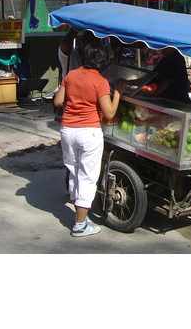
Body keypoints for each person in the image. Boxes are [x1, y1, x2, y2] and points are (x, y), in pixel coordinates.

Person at [54, 41, 128, 237]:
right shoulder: (100, 81)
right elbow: (110, 113)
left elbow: (58, 101)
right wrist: (118, 93)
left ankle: (79, 212)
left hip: (67, 130)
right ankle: (80, 224)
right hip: (88, 132)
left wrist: (75, 99)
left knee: (73, 170)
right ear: (103, 61)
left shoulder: (71, 75)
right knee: (87, 176)